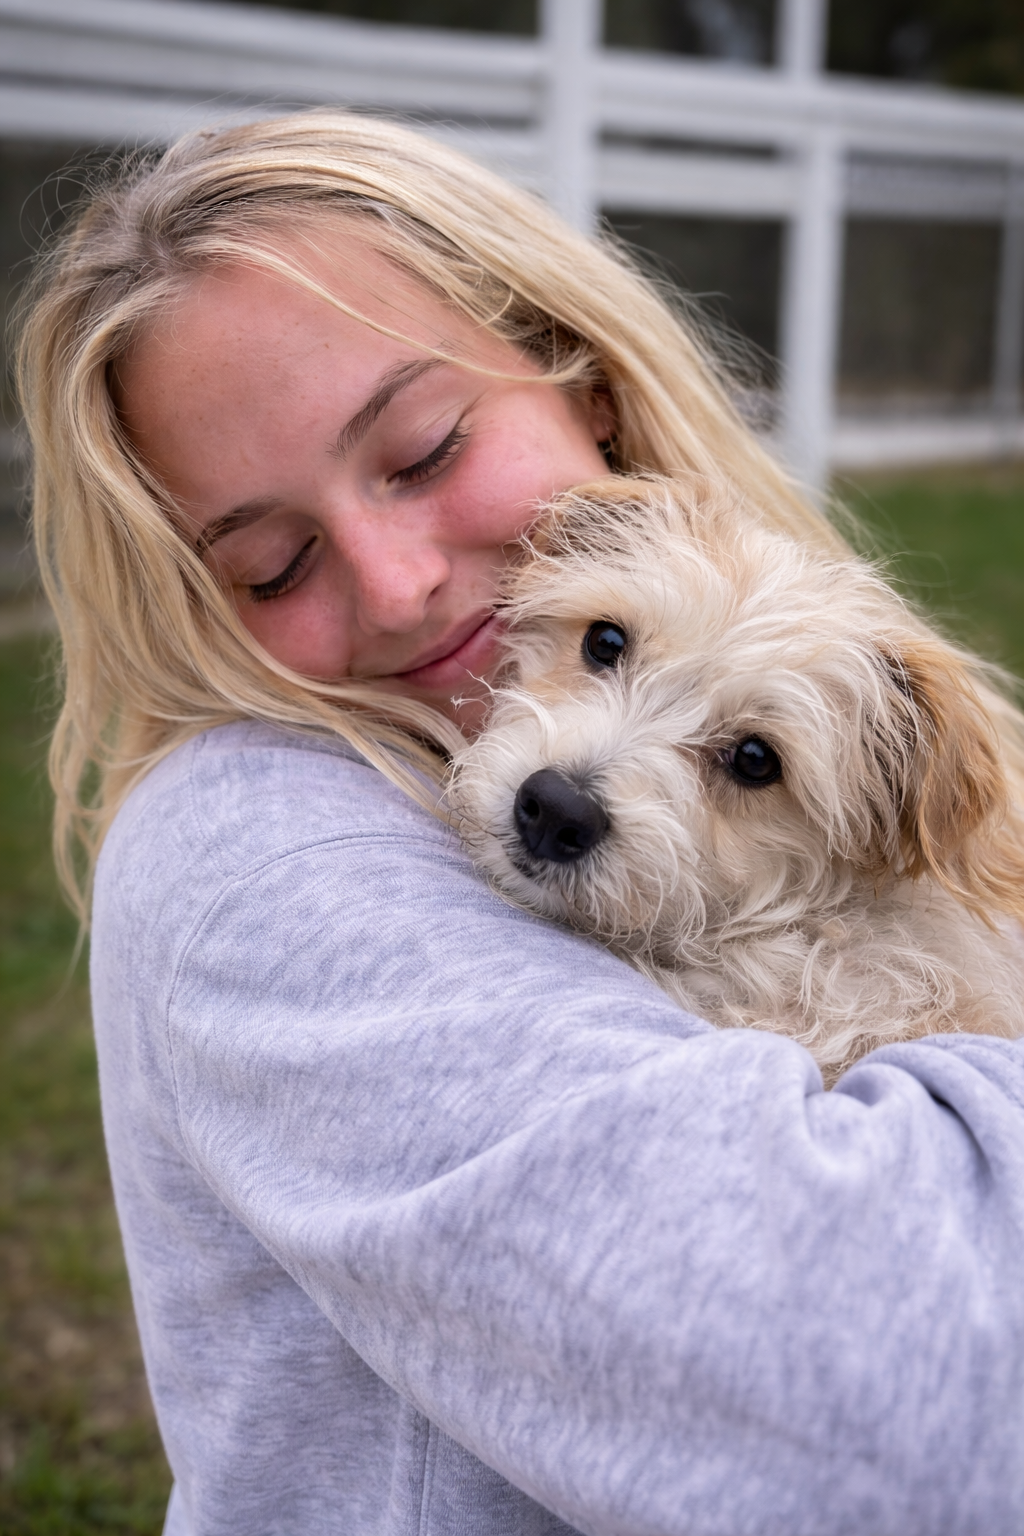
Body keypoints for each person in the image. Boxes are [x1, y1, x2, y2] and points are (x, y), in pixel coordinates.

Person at [16, 112, 1024, 1536]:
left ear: (588, 380)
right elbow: (907, 1392)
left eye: (423, 449)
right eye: (272, 558)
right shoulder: (261, 851)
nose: (398, 586)